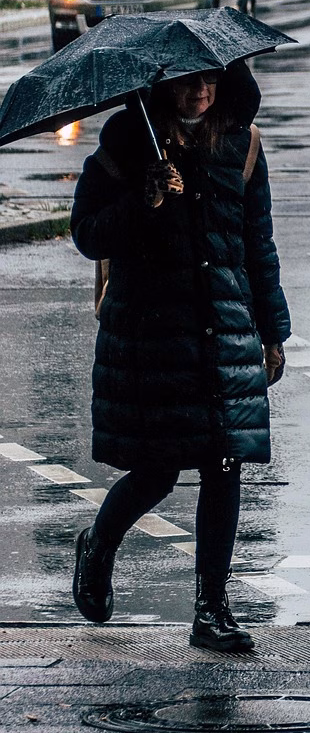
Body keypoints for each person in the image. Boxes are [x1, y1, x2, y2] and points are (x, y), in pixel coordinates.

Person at [69, 60, 290, 653]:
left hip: (222, 328)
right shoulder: (126, 142)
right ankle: (99, 545)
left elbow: (257, 243)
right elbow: (88, 233)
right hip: (152, 336)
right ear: (164, 86)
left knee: (224, 464)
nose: (200, 91)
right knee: (158, 469)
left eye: (211, 81)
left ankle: (211, 610)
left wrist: (273, 332)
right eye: (189, 81)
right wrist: (145, 200)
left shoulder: (241, 146)